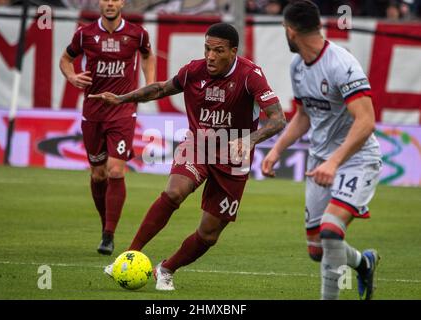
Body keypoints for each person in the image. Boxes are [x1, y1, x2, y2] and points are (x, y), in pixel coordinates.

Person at [90, 22, 286, 291]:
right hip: (199, 145)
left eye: (218, 50)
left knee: (209, 233)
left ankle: (167, 268)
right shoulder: (194, 70)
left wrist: (249, 139)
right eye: (207, 49)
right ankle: (128, 256)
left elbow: (278, 119)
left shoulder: (250, 75)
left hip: (234, 158)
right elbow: (160, 89)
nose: (211, 56)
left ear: (233, 51)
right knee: (173, 193)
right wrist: (122, 99)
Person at [261, 0, 382, 300]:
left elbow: (366, 121)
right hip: (320, 163)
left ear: (291, 31)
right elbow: (304, 115)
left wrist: (335, 162)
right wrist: (277, 150)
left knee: (330, 232)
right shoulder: (298, 66)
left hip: (356, 160)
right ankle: (364, 263)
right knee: (318, 249)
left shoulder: (342, 64)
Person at [59, 0, 156, 255]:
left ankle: (108, 234)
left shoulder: (137, 34)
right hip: (92, 111)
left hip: (123, 110)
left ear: (122, 2)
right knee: (98, 174)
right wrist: (71, 76)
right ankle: (106, 226)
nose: (110, 3)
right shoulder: (84, 34)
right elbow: (65, 59)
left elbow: (147, 55)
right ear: (99, 3)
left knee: (115, 170)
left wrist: (150, 85)